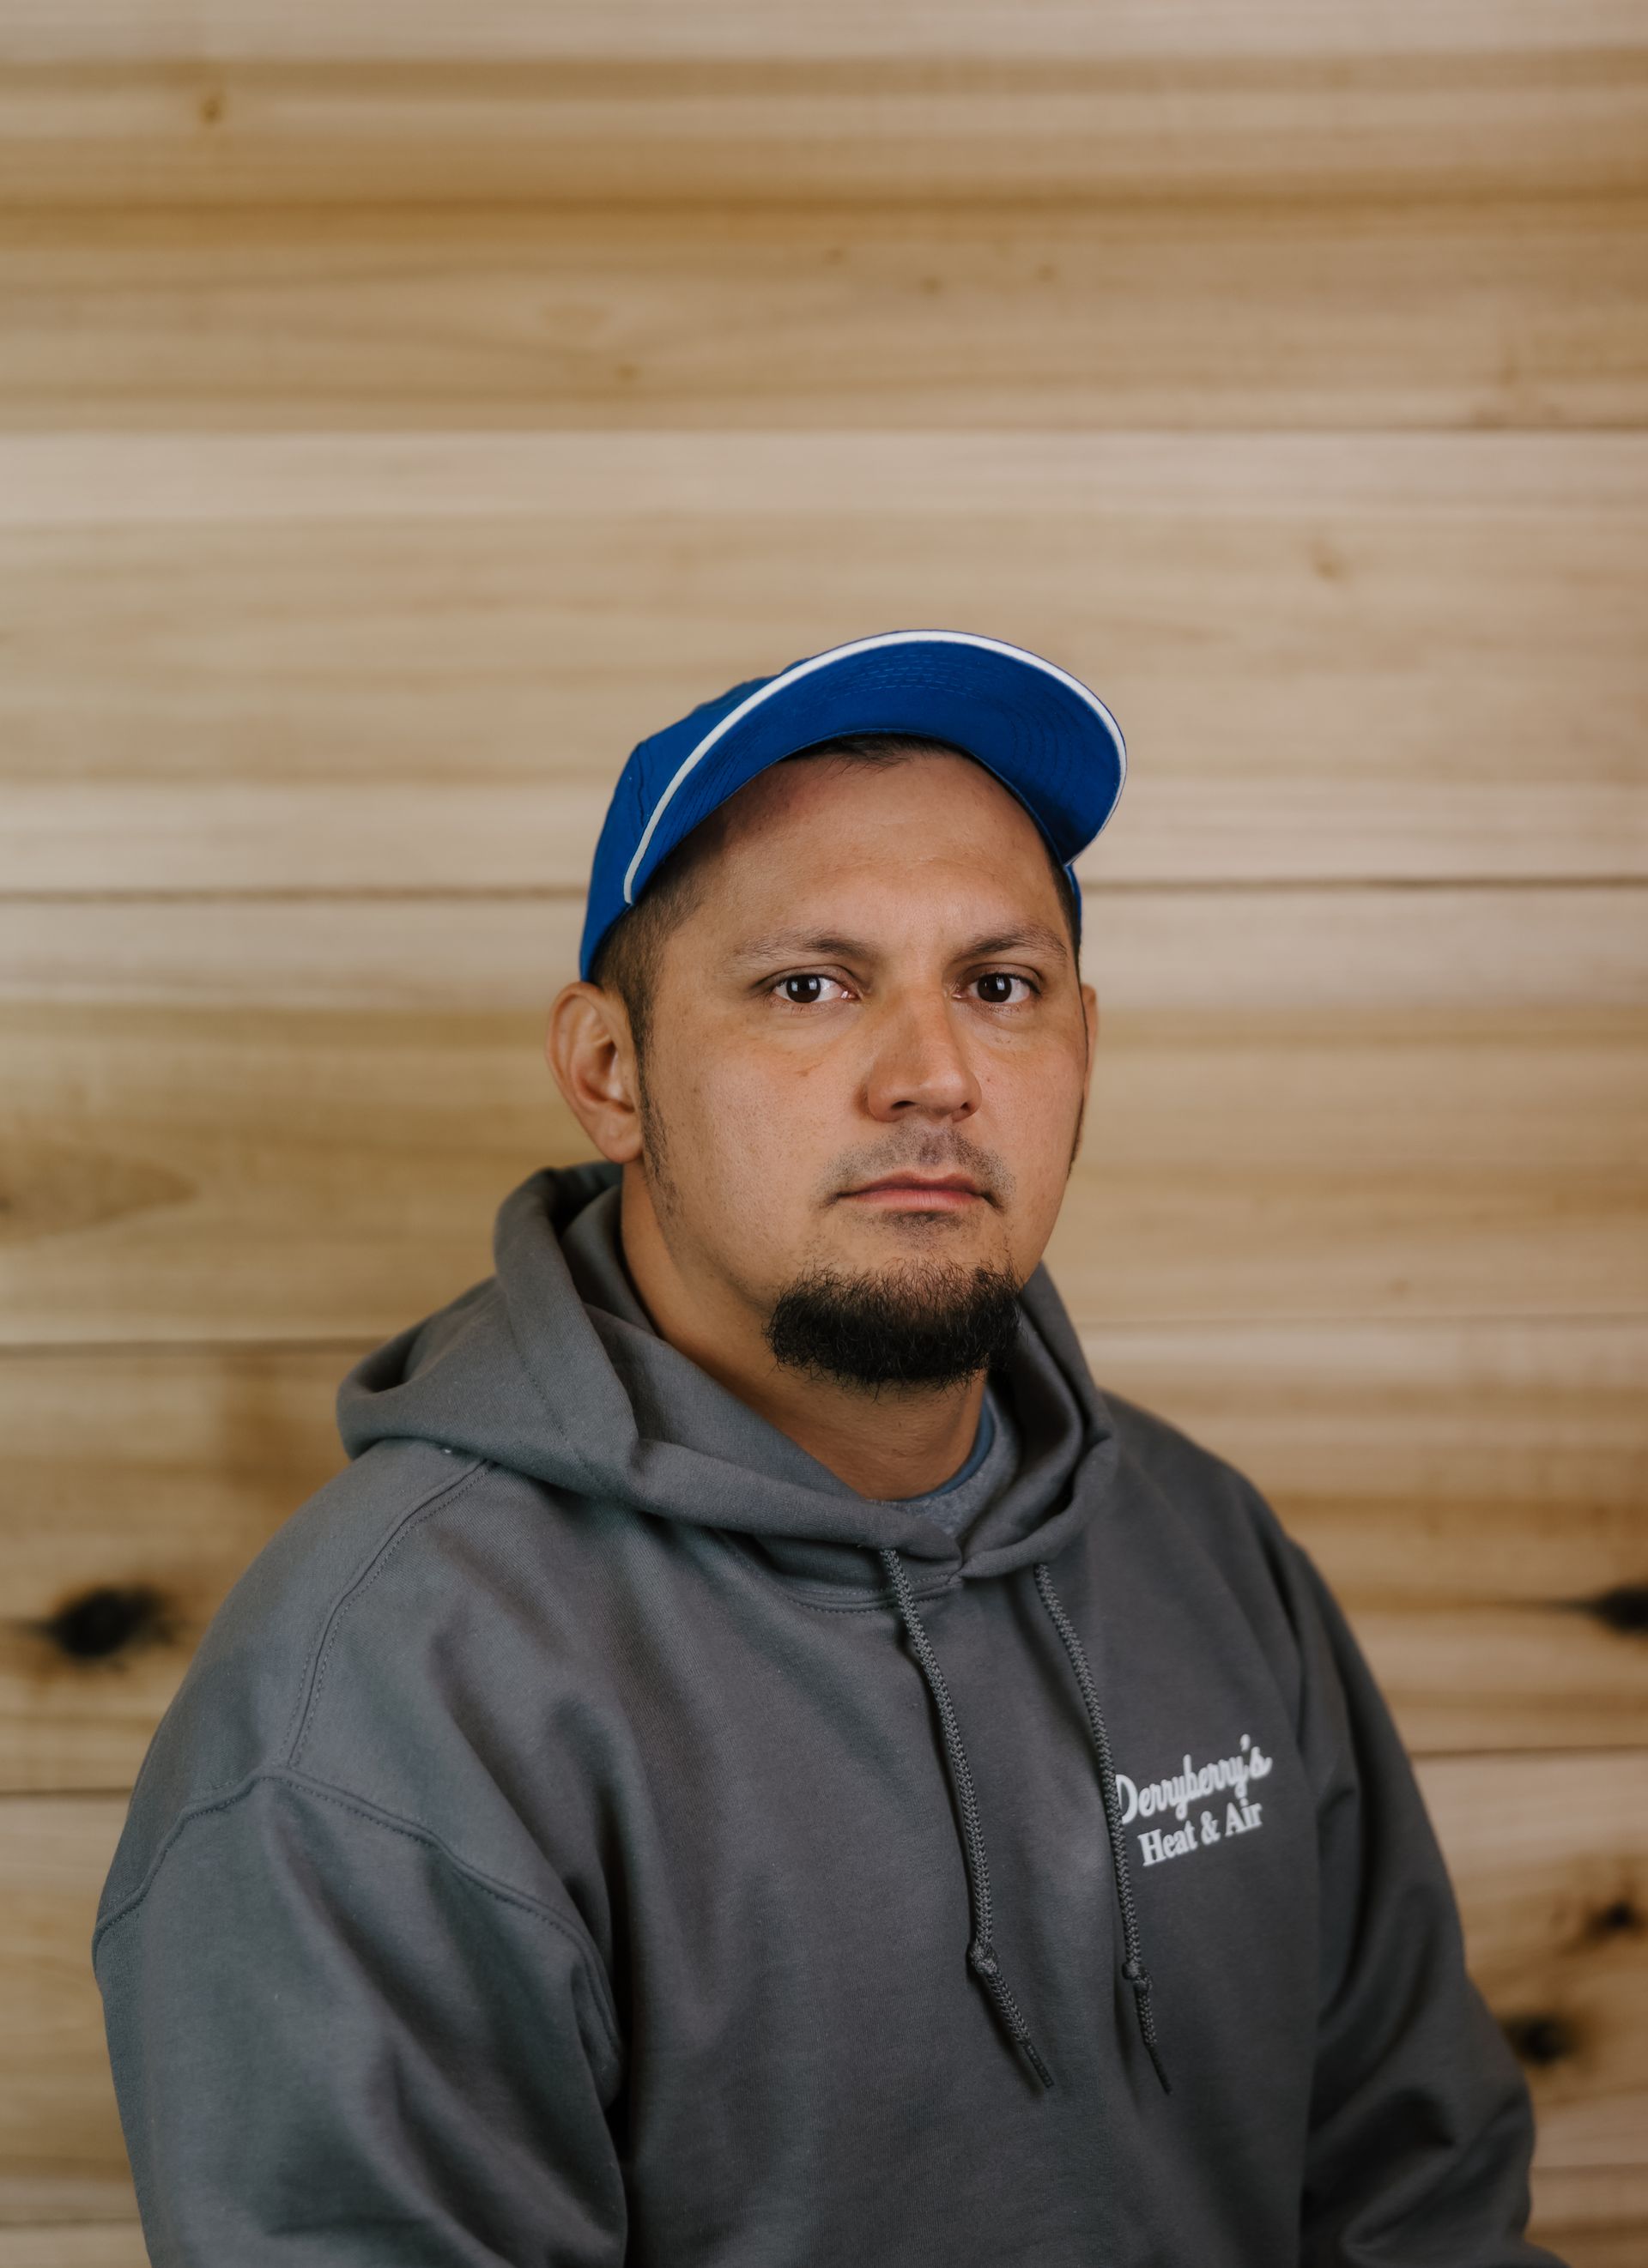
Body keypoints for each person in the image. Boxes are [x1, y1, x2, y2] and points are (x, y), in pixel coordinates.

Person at [94, 631, 1559, 2265]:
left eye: (1000, 988)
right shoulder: (378, 1702)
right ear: (609, 1071)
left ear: (1082, 1048)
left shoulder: (1203, 1549)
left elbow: (1423, 2213)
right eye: (811, 985)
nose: (931, 1075)